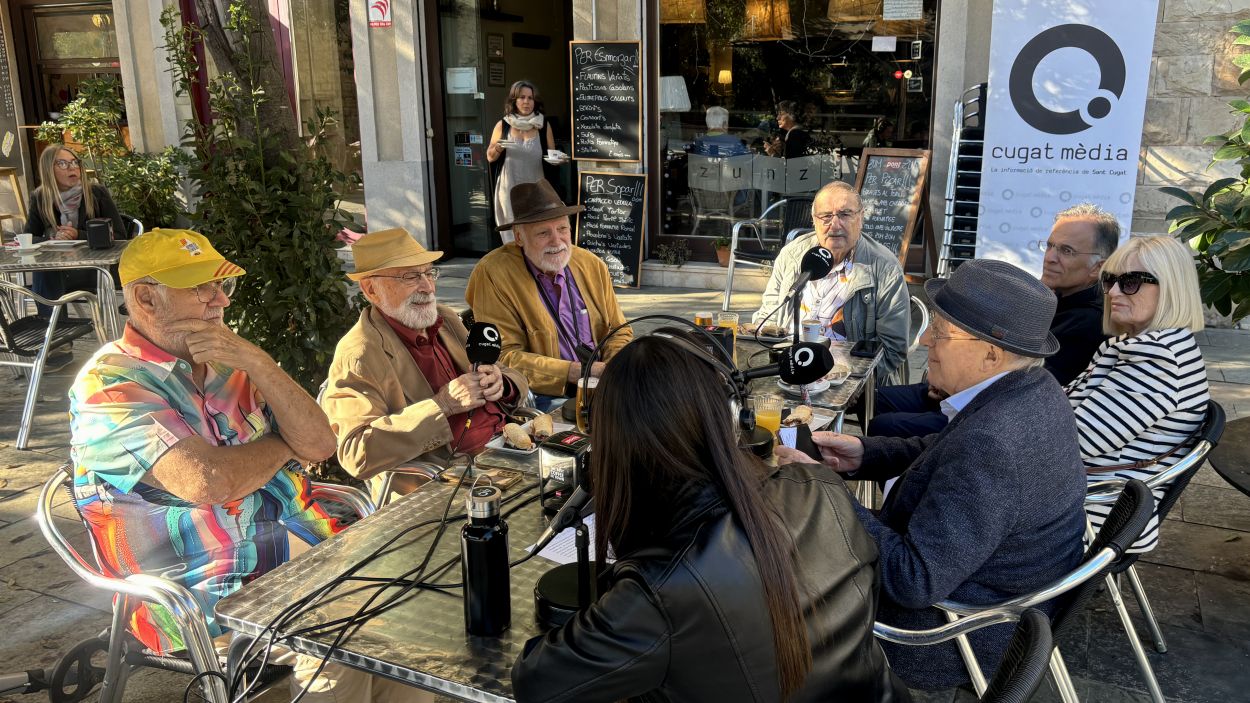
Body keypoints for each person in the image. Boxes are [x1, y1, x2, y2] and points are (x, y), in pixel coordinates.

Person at [67, 229, 422, 701]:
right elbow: (211, 481)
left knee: (412, 610)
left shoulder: (232, 361)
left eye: (222, 286)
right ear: (147, 299)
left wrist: (259, 362)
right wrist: (282, 443)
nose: (220, 301)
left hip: (305, 549)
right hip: (205, 584)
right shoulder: (109, 386)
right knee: (339, 639)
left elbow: (318, 443)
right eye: (201, 288)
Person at [511, 334, 909, 702]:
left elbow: (535, 682)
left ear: (612, 450)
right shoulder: (818, 483)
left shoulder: (657, 593)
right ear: (725, 419)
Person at [776, 258, 1087, 690]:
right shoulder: (1034, 389)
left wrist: (825, 489)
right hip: (993, 595)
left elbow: (912, 579)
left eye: (940, 332)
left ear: (991, 353)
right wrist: (864, 454)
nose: (925, 340)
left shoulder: (993, 444)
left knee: (763, 571)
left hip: (946, 633)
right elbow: (944, 451)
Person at [870, 203, 1118, 437]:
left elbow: (1024, 388)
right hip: (957, 391)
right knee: (870, 398)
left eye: (1066, 251)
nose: (1051, 257)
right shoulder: (1049, 297)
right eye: (1050, 245)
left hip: (987, 415)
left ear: (1098, 267)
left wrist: (953, 385)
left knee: (883, 426)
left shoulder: (1088, 322)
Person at [322, 227, 528, 503]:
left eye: (429, 273)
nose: (428, 287)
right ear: (371, 288)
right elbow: (356, 453)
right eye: (411, 276)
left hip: (510, 450)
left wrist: (502, 384)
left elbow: (504, 371)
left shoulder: (443, 319)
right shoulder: (360, 354)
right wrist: (442, 405)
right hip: (448, 482)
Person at [1072, 234, 1210, 553]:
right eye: (1110, 281)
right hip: (1094, 504)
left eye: (1131, 281)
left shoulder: (1157, 359)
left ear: (1171, 287)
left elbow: (1074, 441)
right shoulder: (1139, 347)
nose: (1114, 292)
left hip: (1093, 517)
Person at [465, 180, 632, 409]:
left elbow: (617, 330)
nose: (557, 241)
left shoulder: (591, 264)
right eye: (543, 233)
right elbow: (503, 357)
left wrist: (614, 368)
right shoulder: (493, 273)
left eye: (562, 229)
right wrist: (578, 372)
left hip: (603, 382)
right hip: (545, 395)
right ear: (519, 237)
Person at [750, 180, 910, 385]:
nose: (834, 224)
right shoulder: (791, 255)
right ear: (814, 220)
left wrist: (843, 376)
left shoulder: (885, 268)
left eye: (844, 214)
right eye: (826, 216)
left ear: (860, 218)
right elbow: (768, 316)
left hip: (849, 379)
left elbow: (893, 348)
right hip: (788, 369)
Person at [26, 143, 127, 367]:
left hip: (95, 269)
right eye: (63, 163)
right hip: (61, 268)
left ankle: (54, 340)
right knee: (46, 270)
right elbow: (28, 237)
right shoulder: (41, 197)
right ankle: (56, 340)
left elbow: (120, 235)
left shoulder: (95, 193)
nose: (72, 168)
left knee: (47, 274)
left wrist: (78, 234)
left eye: (74, 162)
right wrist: (51, 239)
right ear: (48, 170)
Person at [487, 80, 563, 244]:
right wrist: (500, 146)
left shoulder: (543, 125)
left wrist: (559, 159)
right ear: (514, 100)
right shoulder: (503, 125)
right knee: (512, 230)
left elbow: (552, 155)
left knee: (537, 229)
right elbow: (490, 157)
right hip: (509, 186)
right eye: (522, 97)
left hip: (536, 187)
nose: (526, 101)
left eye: (530, 98)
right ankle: (514, 266)